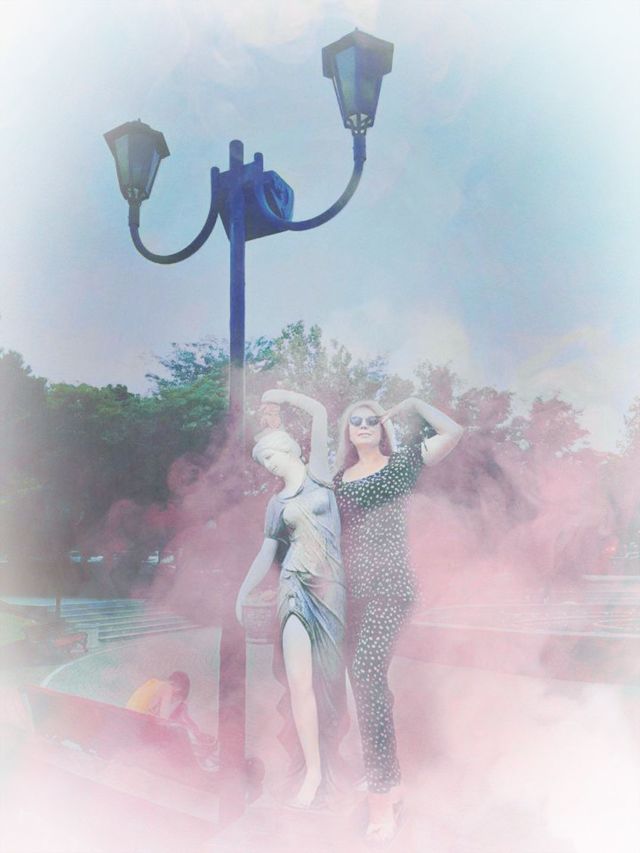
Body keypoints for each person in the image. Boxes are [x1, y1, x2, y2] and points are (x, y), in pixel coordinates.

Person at [333, 396, 463, 843]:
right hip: (350, 594)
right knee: (365, 686)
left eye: (372, 419)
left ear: (382, 426)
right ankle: (389, 776)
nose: (364, 424)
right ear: (347, 431)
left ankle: (382, 796)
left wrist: (412, 402)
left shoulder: (402, 464)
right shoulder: (338, 481)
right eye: (356, 420)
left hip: (390, 589)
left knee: (367, 677)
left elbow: (453, 433)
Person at [235, 390, 347, 809]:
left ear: (288, 449)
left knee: (331, 682)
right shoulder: (275, 503)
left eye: (270, 456)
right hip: (294, 587)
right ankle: (312, 772)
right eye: (262, 461)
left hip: (330, 588)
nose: (268, 465)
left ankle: (332, 765)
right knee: (300, 682)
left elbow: (318, 412)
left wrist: (278, 396)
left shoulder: (320, 476)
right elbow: (266, 553)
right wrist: (243, 592)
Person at [126, 670, 217, 758]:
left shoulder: (152, 683)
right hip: (139, 724)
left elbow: (146, 708)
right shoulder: (167, 688)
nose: (172, 700)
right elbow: (163, 719)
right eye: (176, 697)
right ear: (179, 689)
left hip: (129, 721)